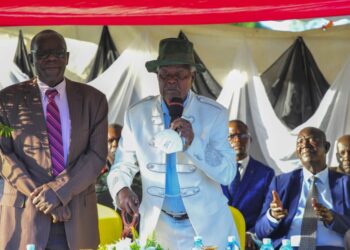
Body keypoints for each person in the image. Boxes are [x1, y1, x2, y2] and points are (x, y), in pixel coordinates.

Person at [107, 37, 238, 250]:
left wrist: (194, 143)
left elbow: (228, 174)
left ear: (193, 77)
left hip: (209, 227)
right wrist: (121, 188)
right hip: (159, 227)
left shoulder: (214, 114)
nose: (171, 82)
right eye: (165, 75)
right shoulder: (137, 114)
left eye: (179, 76)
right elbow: (122, 166)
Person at [0, 30, 108, 249]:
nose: (51, 58)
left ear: (67, 58)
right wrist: (42, 196)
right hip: (26, 216)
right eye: (43, 54)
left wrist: (60, 191)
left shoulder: (93, 100)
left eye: (57, 53)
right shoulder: (7, 99)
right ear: (31, 58)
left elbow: (96, 156)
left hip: (76, 216)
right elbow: (4, 154)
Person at [255, 127, 350, 250]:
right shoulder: (281, 182)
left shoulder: (345, 183)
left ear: (326, 147)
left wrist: (333, 219)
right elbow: (259, 231)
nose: (304, 144)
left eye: (312, 140)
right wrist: (273, 216)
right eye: (300, 141)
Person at [221, 120, 275, 250]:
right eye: (232, 136)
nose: (238, 140)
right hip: (218, 239)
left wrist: (251, 234)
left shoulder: (265, 173)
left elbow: (266, 212)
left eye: (243, 135)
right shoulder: (213, 170)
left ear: (250, 139)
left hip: (249, 242)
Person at [96, 123, 123, 208]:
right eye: (110, 140)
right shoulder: (95, 172)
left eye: (120, 140)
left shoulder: (139, 171)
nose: (115, 144)